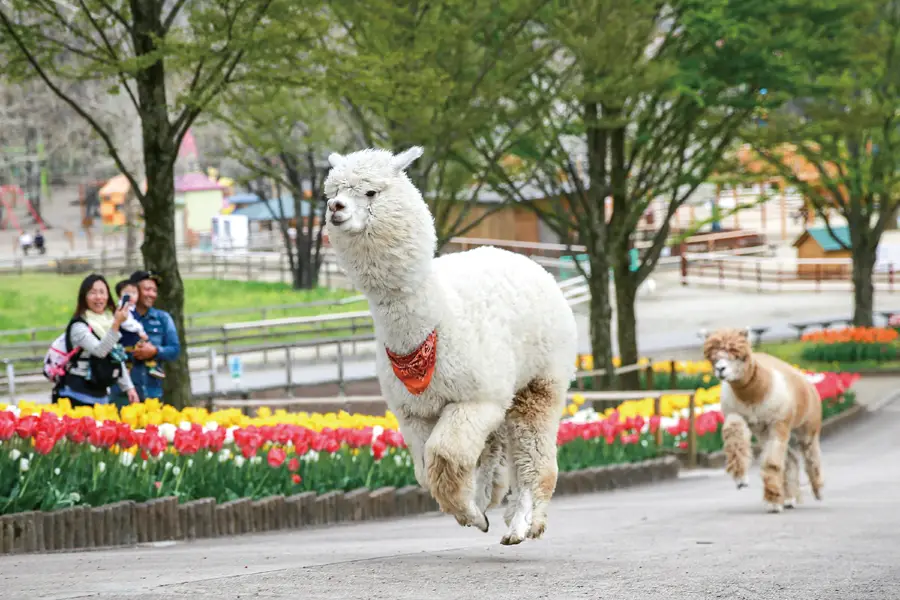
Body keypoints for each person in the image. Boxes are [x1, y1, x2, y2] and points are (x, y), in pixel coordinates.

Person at [56, 274, 140, 407]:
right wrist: (117, 323)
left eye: (102, 292)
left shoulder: (108, 321)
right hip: (77, 394)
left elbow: (115, 356)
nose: (98, 297)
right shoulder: (79, 326)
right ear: (84, 297)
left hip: (101, 393)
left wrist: (129, 387)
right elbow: (101, 351)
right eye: (92, 293)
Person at [110, 270, 180, 406]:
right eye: (147, 289)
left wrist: (155, 351)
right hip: (122, 393)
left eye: (154, 291)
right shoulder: (118, 316)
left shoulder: (162, 318)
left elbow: (175, 350)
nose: (152, 294)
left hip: (152, 393)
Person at [114, 278, 165, 379]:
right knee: (143, 347)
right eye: (127, 293)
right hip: (128, 338)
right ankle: (151, 367)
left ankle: (148, 368)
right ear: (120, 296)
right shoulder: (123, 308)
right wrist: (140, 330)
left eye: (134, 293)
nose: (131, 296)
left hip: (130, 338)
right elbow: (127, 323)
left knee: (135, 355)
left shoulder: (132, 308)